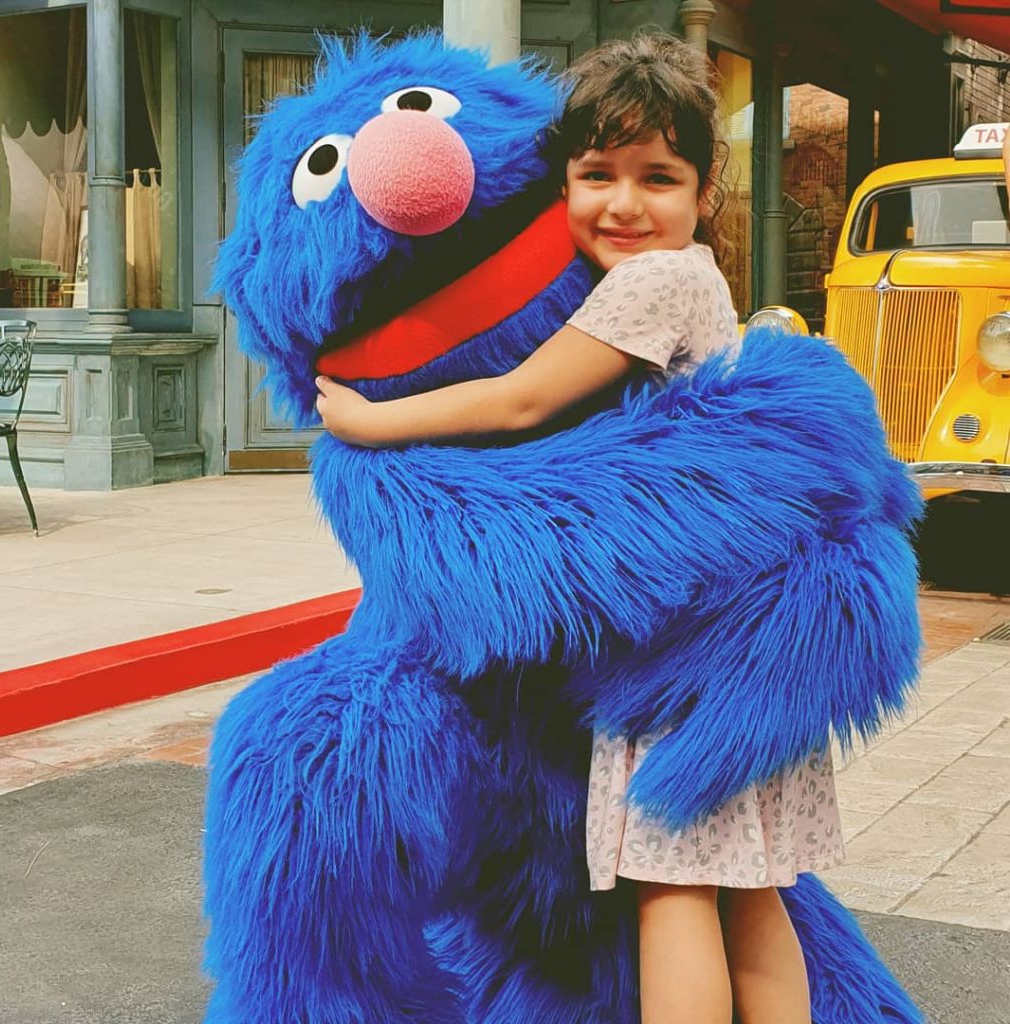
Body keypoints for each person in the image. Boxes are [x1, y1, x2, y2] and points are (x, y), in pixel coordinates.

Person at [315, 32, 844, 1024]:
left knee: (672, 885)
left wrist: (367, 421)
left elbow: (519, 401)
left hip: (685, 649)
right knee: (753, 889)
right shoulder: (691, 282)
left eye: (658, 177)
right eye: (596, 174)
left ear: (702, 191)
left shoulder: (657, 281)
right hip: (742, 640)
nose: (623, 203)